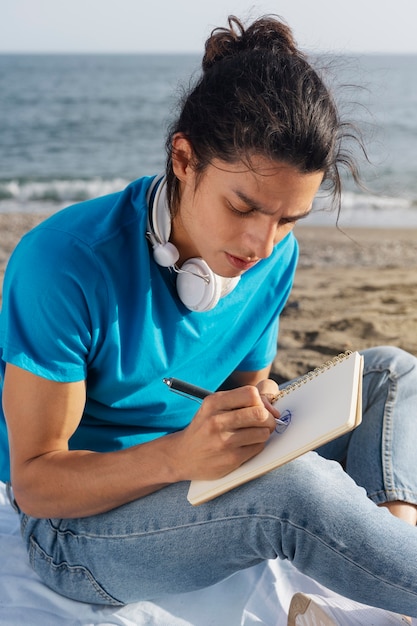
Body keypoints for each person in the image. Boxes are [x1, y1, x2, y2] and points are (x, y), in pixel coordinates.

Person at [0, 14, 416, 624]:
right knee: (293, 489)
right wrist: (177, 456)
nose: (261, 244)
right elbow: (35, 483)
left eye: (287, 219)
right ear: (184, 159)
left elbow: (245, 391)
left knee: (391, 372)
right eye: (242, 206)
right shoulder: (64, 264)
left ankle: (387, 552)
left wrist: (256, 409)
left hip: (191, 481)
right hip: (74, 532)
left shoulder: (273, 257)